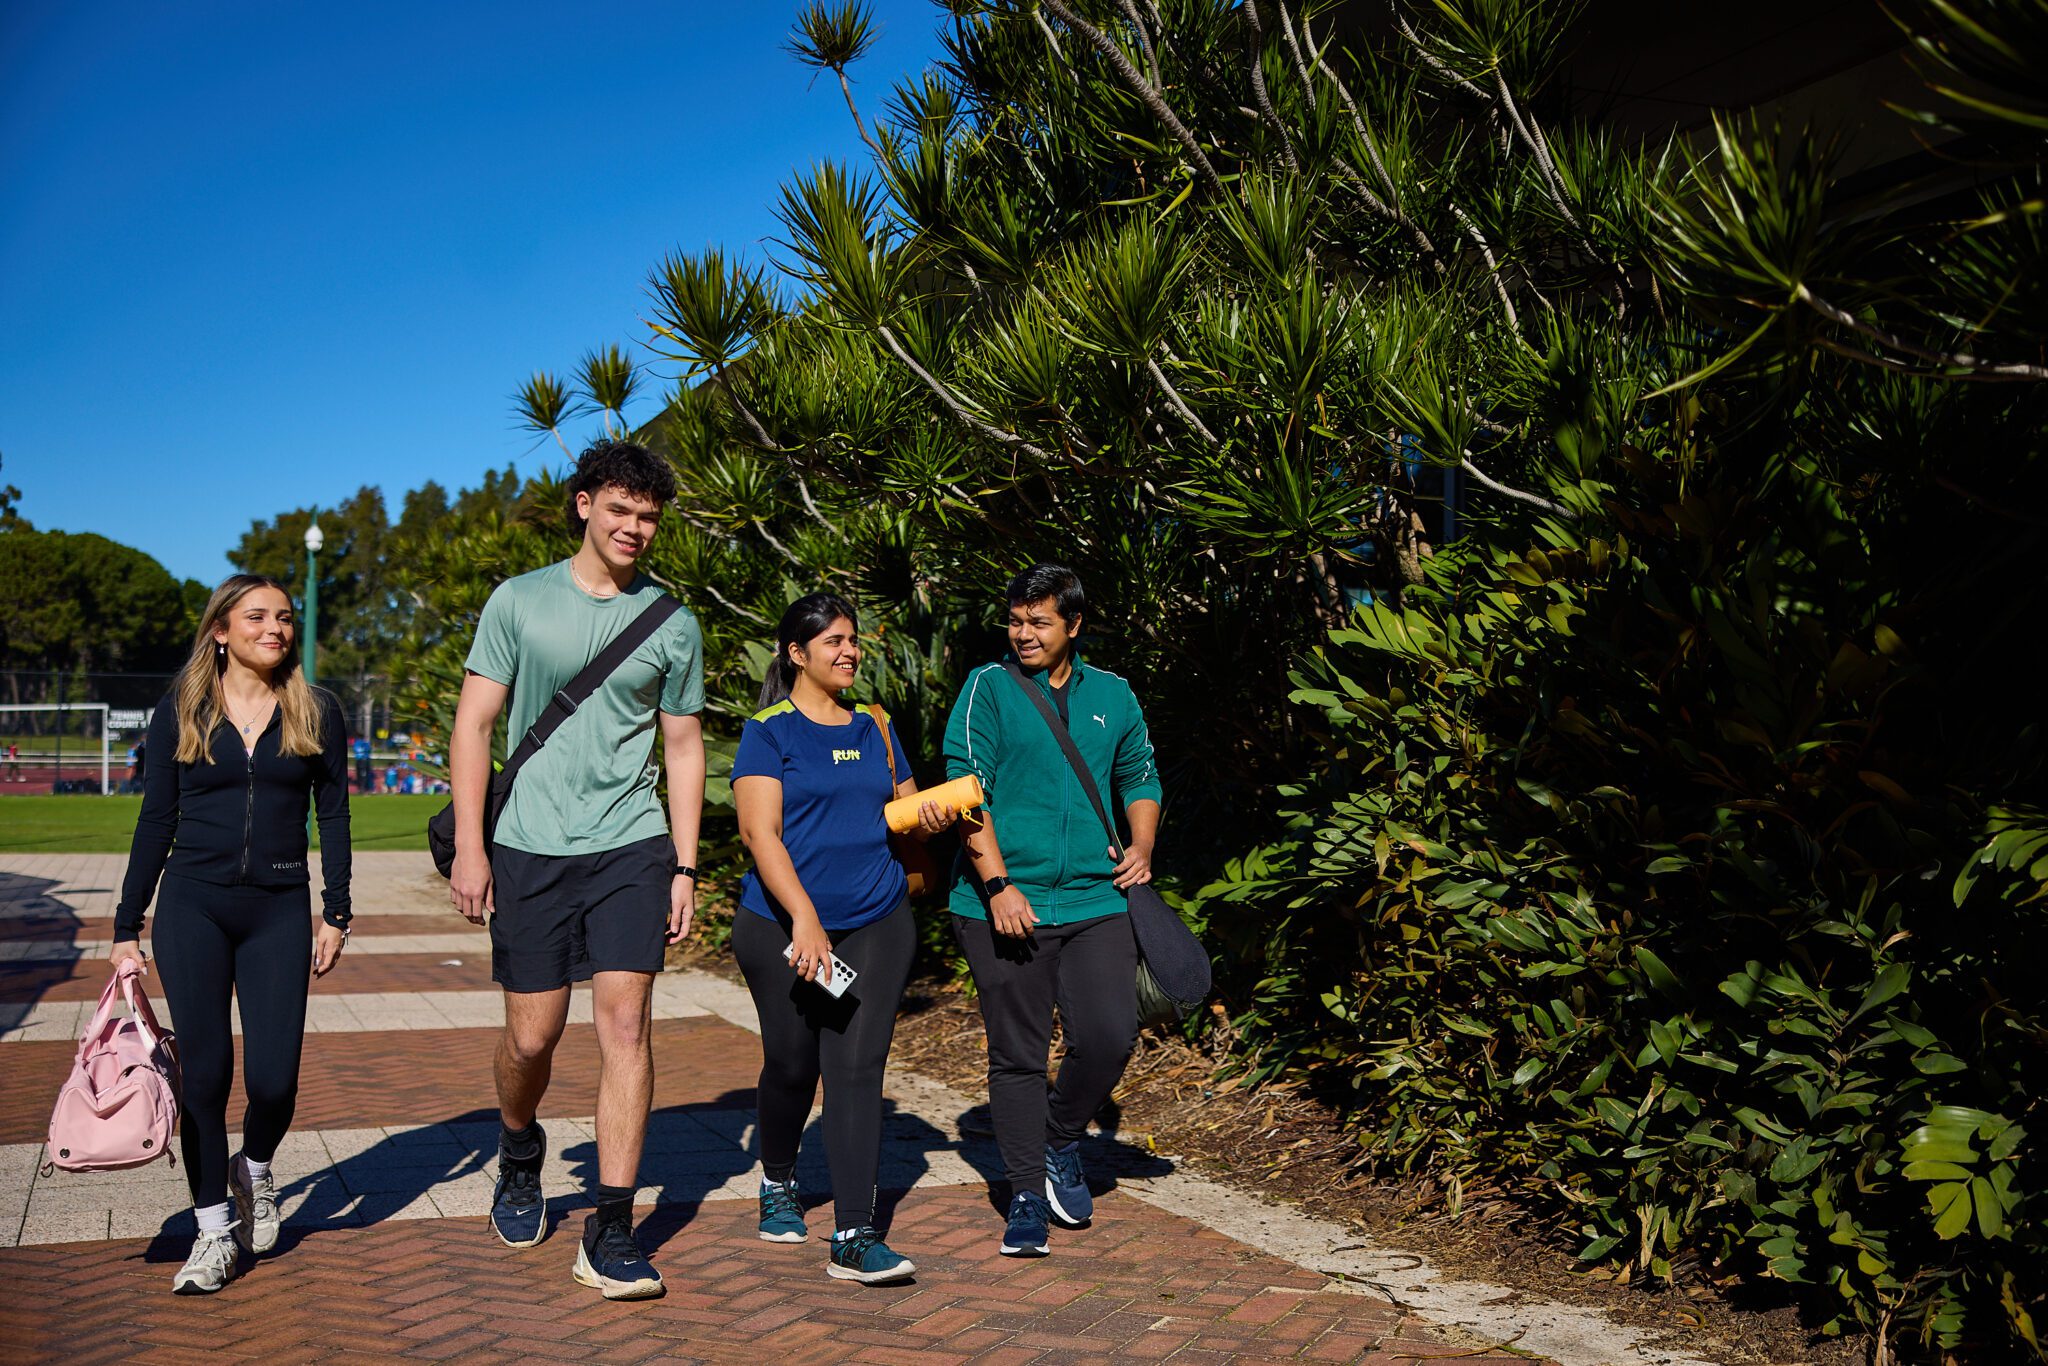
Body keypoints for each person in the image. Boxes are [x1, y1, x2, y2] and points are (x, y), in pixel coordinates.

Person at [447, 438, 705, 1302]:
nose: (636, 528)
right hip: (527, 845)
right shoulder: (518, 602)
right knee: (532, 1037)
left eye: (650, 518)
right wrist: (475, 850)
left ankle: (612, 1229)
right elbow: (475, 725)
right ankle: (520, 1149)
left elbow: (683, 745)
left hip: (631, 845)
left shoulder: (673, 622)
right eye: (622, 510)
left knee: (626, 1027)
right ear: (584, 504)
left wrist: (684, 864)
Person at [109, 574, 352, 1294]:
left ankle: (255, 1167)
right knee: (206, 1077)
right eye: (258, 617)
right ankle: (213, 1231)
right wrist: (128, 925)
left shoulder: (317, 710)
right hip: (194, 908)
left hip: (278, 907)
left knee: (274, 1081)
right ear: (221, 630)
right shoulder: (179, 709)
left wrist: (335, 910)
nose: (274, 628)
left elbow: (333, 816)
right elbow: (156, 821)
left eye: (284, 617)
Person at [731, 594, 957, 1284]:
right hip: (784, 928)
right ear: (796, 653)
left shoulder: (876, 726)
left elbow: (905, 812)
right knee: (794, 1066)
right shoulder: (768, 731)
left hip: (877, 919)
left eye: (852, 639)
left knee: (856, 1067)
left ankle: (855, 1236)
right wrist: (803, 917)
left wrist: (942, 811)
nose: (849, 651)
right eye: (832, 641)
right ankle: (778, 1180)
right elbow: (758, 833)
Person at [943, 564, 1161, 1257]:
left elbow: (1140, 774)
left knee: (1108, 1034)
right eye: (1015, 619)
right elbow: (963, 789)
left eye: (1038, 621)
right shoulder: (989, 688)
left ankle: (1061, 1138)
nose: (1023, 632)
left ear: (1073, 625)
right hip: (1004, 902)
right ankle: (1026, 1199)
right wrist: (999, 883)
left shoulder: (1114, 696)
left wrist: (1143, 844)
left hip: (1098, 899)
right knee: (1018, 1055)